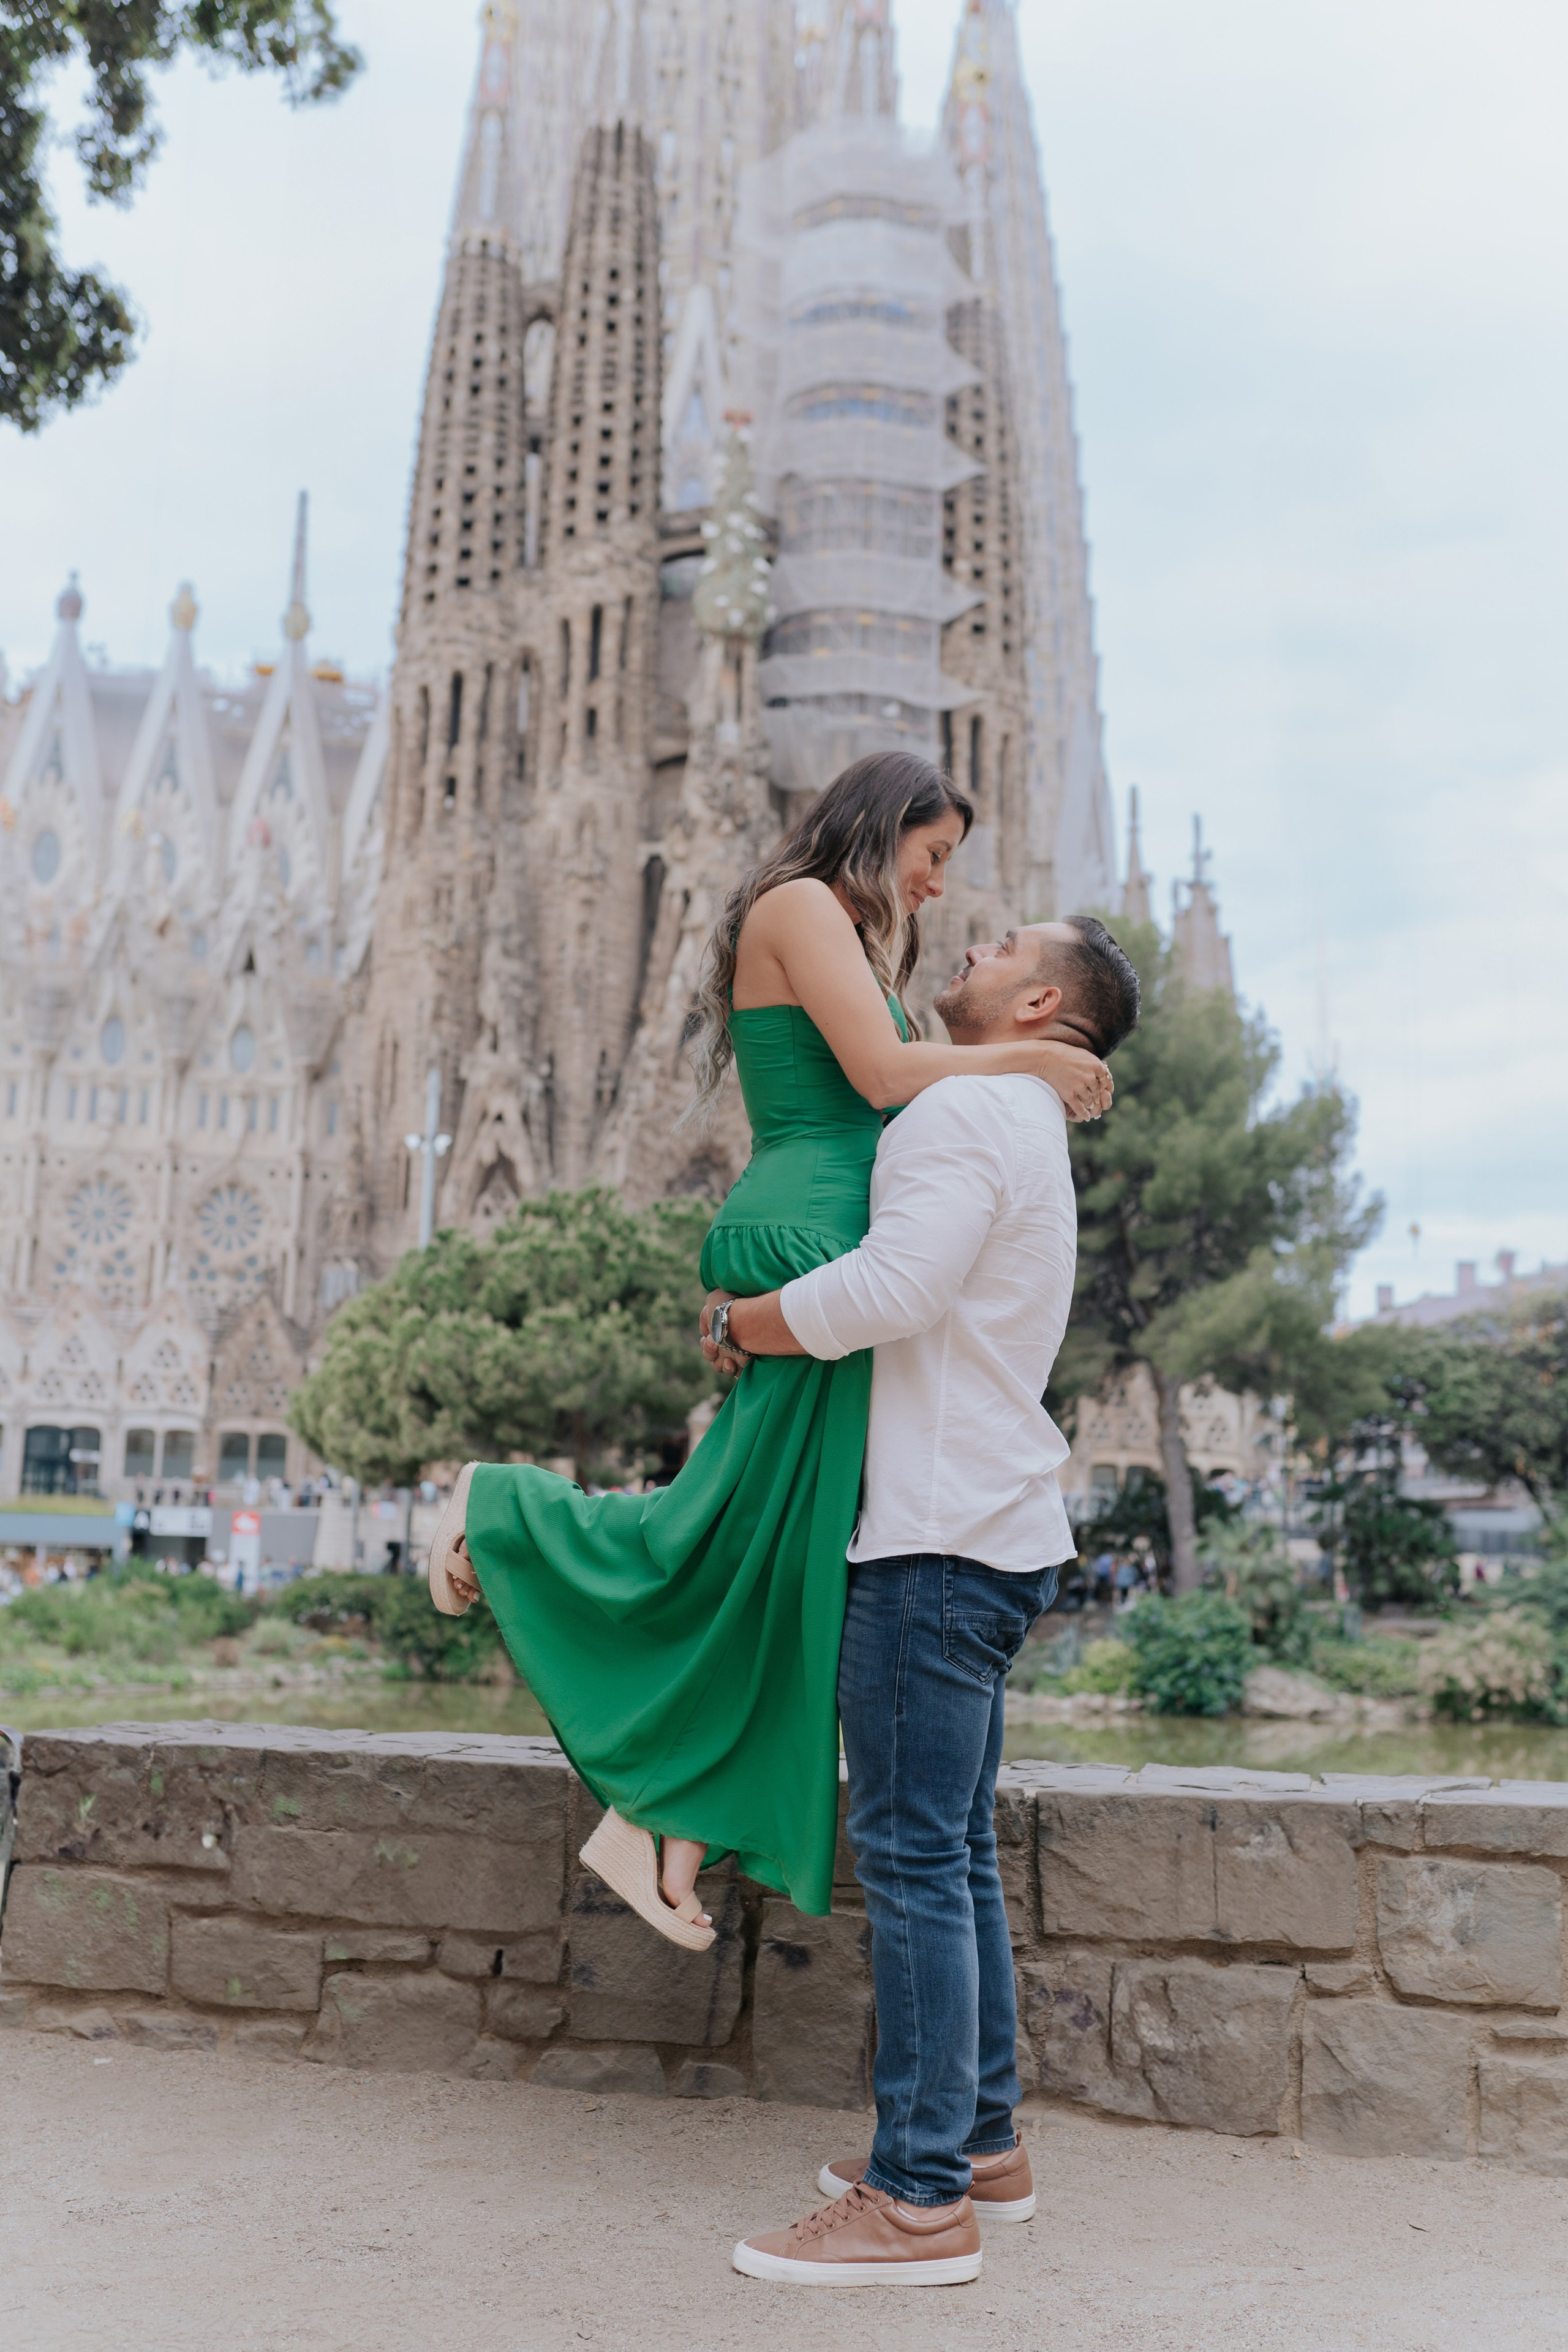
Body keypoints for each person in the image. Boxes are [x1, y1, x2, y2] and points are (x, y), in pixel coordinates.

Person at [428, 752, 1112, 1950]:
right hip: (803, 1225)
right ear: (875, 825)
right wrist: (1029, 1057)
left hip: (833, 1225)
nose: (939, 888)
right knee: (721, 1530)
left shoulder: (865, 952)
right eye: (933, 855)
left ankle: (662, 1824)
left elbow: (908, 1089)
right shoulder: (796, 909)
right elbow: (887, 1080)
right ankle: (502, 1509)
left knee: (773, 1548)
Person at [699, 914, 1140, 2287]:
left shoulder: (968, 1119)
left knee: (908, 1860)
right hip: (989, 1528)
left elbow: (895, 1286)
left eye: (1003, 939)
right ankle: (980, 2145)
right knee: (946, 1854)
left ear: (1042, 998)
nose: (968, 935)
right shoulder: (1014, 1117)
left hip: (933, 1541)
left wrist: (740, 1325)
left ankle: (916, 2200)